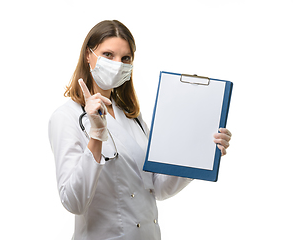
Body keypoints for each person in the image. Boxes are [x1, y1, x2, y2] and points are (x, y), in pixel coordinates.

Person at [48, 20, 232, 240]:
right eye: (108, 54)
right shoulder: (66, 117)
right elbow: (73, 202)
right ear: (88, 55)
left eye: (125, 58)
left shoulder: (131, 116)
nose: (118, 64)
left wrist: (201, 152)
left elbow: (158, 187)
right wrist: (96, 136)